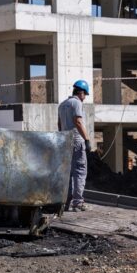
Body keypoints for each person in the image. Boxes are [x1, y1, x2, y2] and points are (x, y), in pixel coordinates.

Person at [58, 80, 92, 212]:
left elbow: (59, 124)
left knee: (68, 172)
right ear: (81, 92)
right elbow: (78, 121)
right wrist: (87, 139)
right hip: (77, 141)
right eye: (85, 94)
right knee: (80, 171)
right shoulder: (77, 103)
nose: (85, 98)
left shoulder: (62, 105)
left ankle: (65, 202)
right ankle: (78, 202)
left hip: (66, 141)